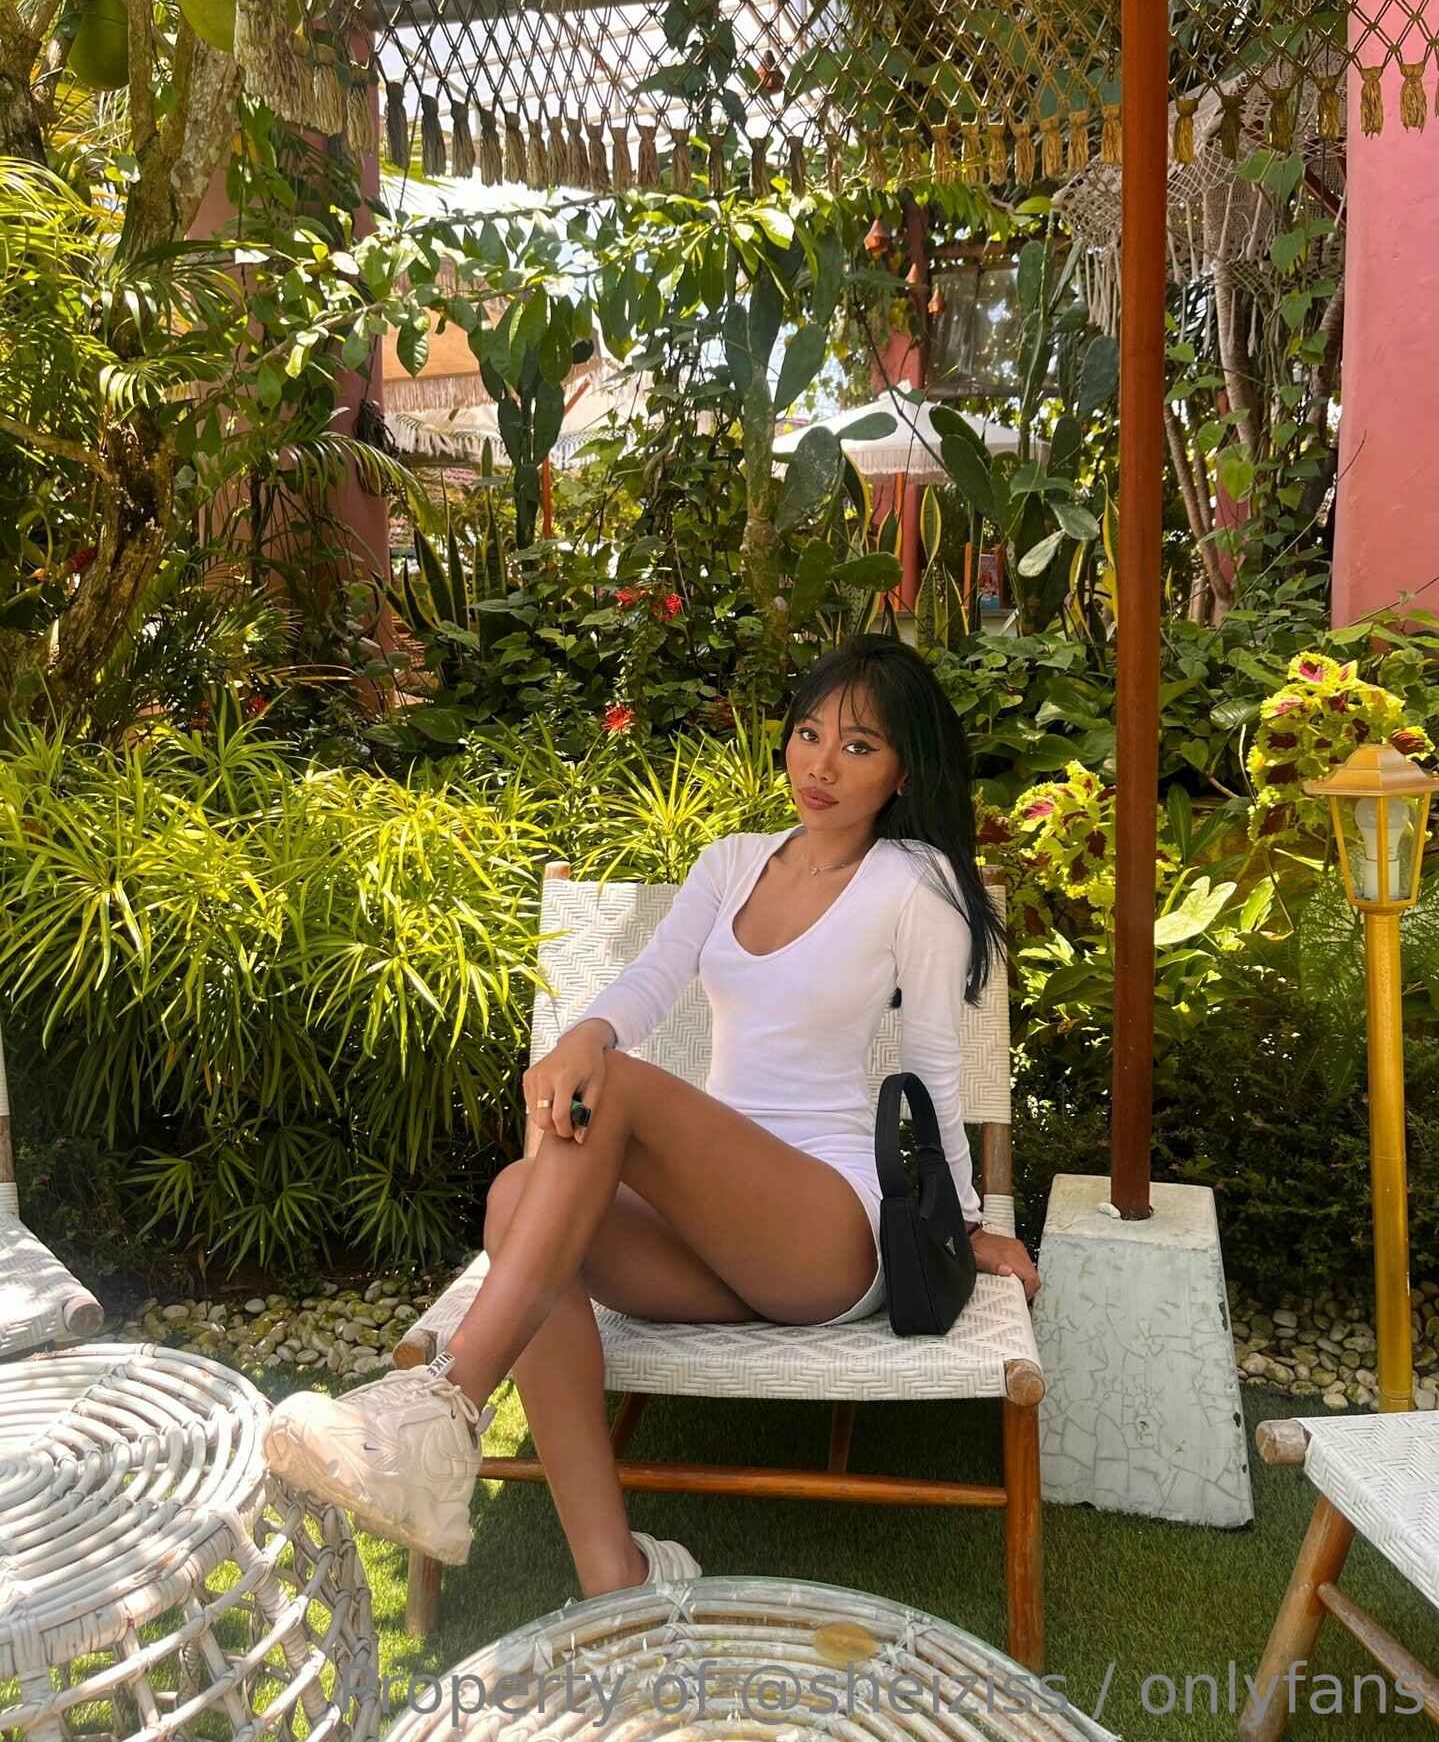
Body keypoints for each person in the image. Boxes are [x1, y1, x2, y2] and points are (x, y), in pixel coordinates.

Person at [263, 633, 1040, 1596]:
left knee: (616, 1088)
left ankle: (443, 1406)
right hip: (715, 1238)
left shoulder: (914, 882)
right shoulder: (733, 862)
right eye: (808, 734)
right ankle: (615, 1574)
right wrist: (587, 1031)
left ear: (903, 771)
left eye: (857, 747)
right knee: (515, 1198)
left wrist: (968, 1222)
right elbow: (652, 980)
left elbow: (930, 1072)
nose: (820, 766)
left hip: (828, 1232)